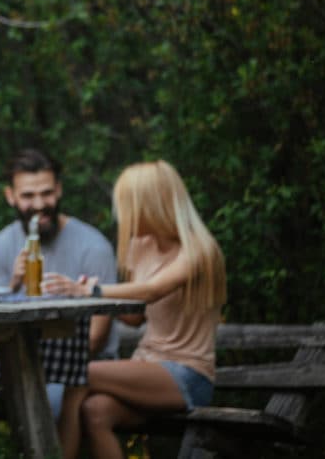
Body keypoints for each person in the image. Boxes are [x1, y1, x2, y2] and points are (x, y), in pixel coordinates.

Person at [43, 160, 227, 459]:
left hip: (187, 375)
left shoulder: (199, 251)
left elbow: (153, 291)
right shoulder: (139, 247)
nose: (122, 215)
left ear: (150, 205)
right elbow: (134, 316)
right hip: (146, 365)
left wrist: (92, 290)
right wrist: (94, 296)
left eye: (127, 205)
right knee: (95, 411)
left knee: (78, 373)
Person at [0, 147, 119, 420]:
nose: (39, 204)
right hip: (16, 366)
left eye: (46, 193)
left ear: (59, 190)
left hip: (79, 368)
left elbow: (98, 337)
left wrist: (35, 362)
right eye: (28, 196)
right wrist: (13, 285)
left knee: (49, 404)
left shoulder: (93, 246)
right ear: (10, 197)